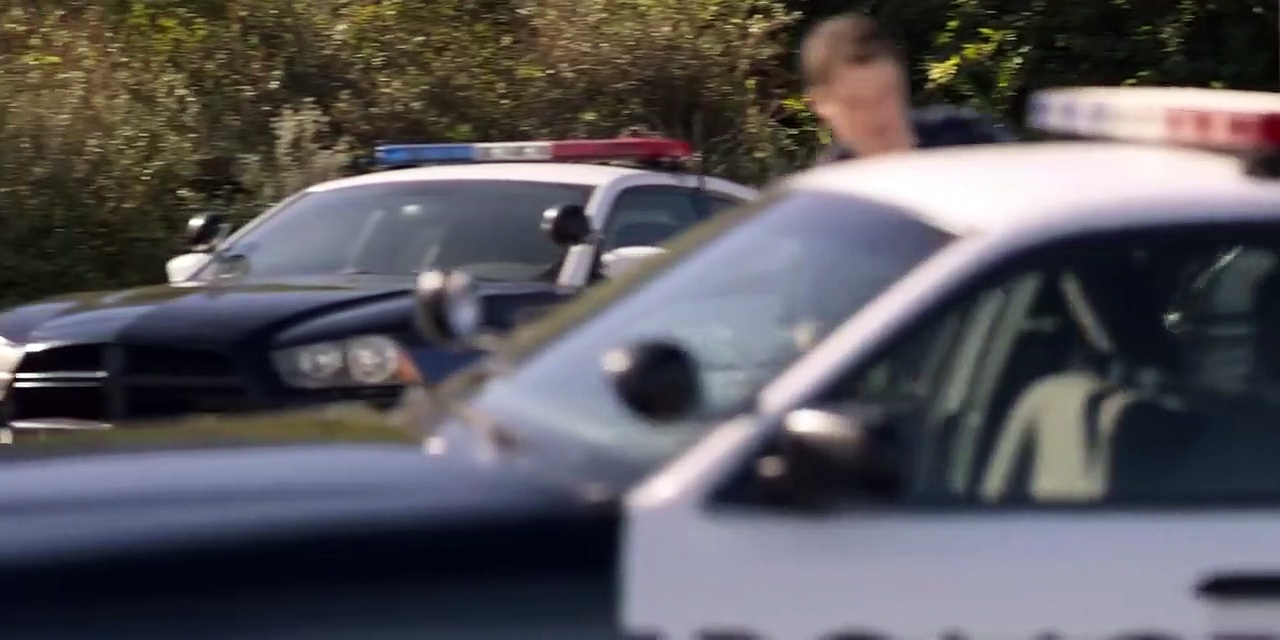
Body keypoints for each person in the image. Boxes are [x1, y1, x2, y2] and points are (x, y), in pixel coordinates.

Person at [800, 12, 1014, 163]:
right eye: (856, 104)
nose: (876, 116)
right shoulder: (828, 195)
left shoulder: (971, 142)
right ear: (820, 104)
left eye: (886, 95)